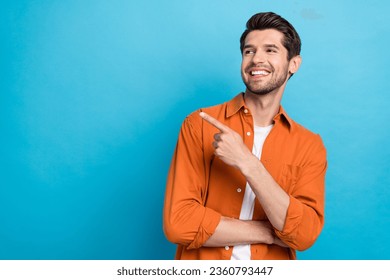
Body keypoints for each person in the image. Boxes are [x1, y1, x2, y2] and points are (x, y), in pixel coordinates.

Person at [163, 11, 327, 260]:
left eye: (270, 50)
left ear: (294, 63)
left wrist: (247, 163)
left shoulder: (309, 145)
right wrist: (269, 232)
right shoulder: (200, 125)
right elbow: (179, 223)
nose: (256, 59)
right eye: (249, 51)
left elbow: (304, 235)